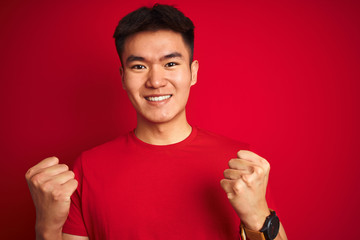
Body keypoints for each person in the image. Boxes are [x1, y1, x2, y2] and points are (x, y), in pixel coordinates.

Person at [25, 4, 288, 240]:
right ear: (122, 77)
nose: (155, 81)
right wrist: (47, 228)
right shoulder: (87, 168)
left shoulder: (239, 162)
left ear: (193, 73)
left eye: (171, 63)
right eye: (139, 67)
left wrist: (257, 216)